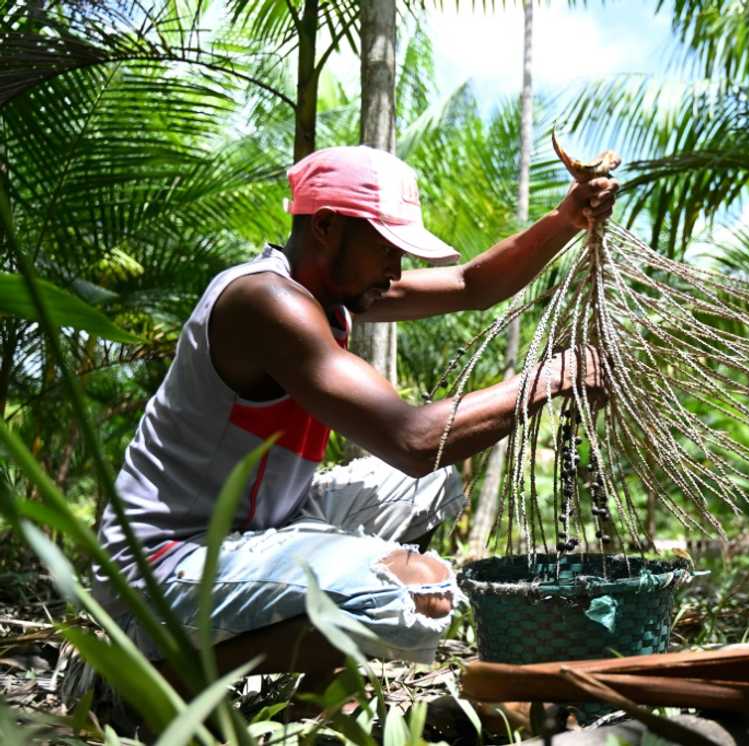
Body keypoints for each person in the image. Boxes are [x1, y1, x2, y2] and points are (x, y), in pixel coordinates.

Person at [93, 145, 618, 680]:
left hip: (260, 525)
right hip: (161, 565)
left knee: (428, 489)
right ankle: (150, 677)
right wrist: (555, 376)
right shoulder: (267, 303)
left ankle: (311, 667)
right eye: (386, 248)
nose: (396, 268)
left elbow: (470, 286)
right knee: (421, 597)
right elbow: (413, 440)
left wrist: (565, 218)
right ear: (325, 227)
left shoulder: (329, 293)